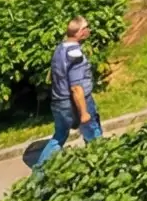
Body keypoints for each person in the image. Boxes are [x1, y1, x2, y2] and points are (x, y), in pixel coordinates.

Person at [33, 16, 101, 170]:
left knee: (59, 136)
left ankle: (39, 171)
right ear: (80, 32)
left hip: (59, 101)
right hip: (75, 102)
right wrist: (84, 113)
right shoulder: (75, 55)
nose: (89, 30)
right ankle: (100, 167)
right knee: (93, 134)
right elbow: (76, 88)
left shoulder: (60, 49)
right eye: (86, 28)